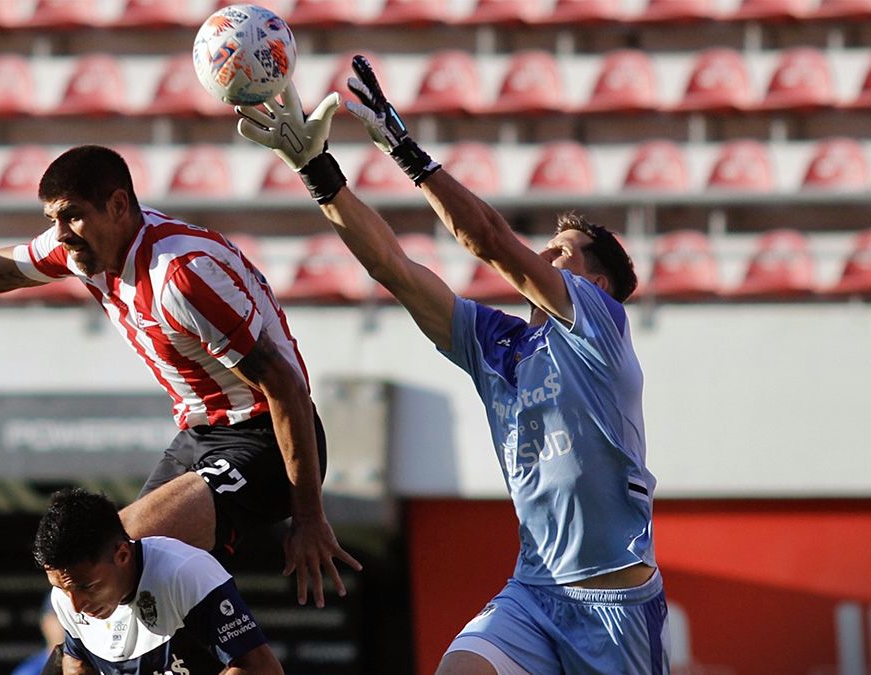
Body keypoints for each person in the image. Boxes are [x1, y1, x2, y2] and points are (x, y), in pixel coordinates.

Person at [235, 59, 668, 674]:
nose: (543, 252)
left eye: (561, 251)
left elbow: (489, 239)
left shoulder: (599, 327)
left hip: (613, 599)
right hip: (533, 591)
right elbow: (394, 268)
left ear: (596, 283)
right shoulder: (498, 343)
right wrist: (317, 172)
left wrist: (407, 153)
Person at [0, 145, 359, 608]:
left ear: (118, 206)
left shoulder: (181, 275)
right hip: (202, 435)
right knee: (107, 587)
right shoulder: (81, 249)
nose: (60, 233)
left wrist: (307, 516)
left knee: (114, 560)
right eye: (53, 217)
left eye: (71, 215)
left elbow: (285, 387)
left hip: (267, 440)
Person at [33, 486, 283, 674]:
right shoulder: (65, 598)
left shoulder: (183, 572)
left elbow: (261, 669)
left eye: (87, 586)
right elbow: (76, 662)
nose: (76, 605)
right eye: (61, 589)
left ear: (122, 555)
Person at [10, 595, 68, 675]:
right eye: (59, 616)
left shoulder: (89, 662)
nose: (66, 624)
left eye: (70, 617)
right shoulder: (29, 672)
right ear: (45, 623)